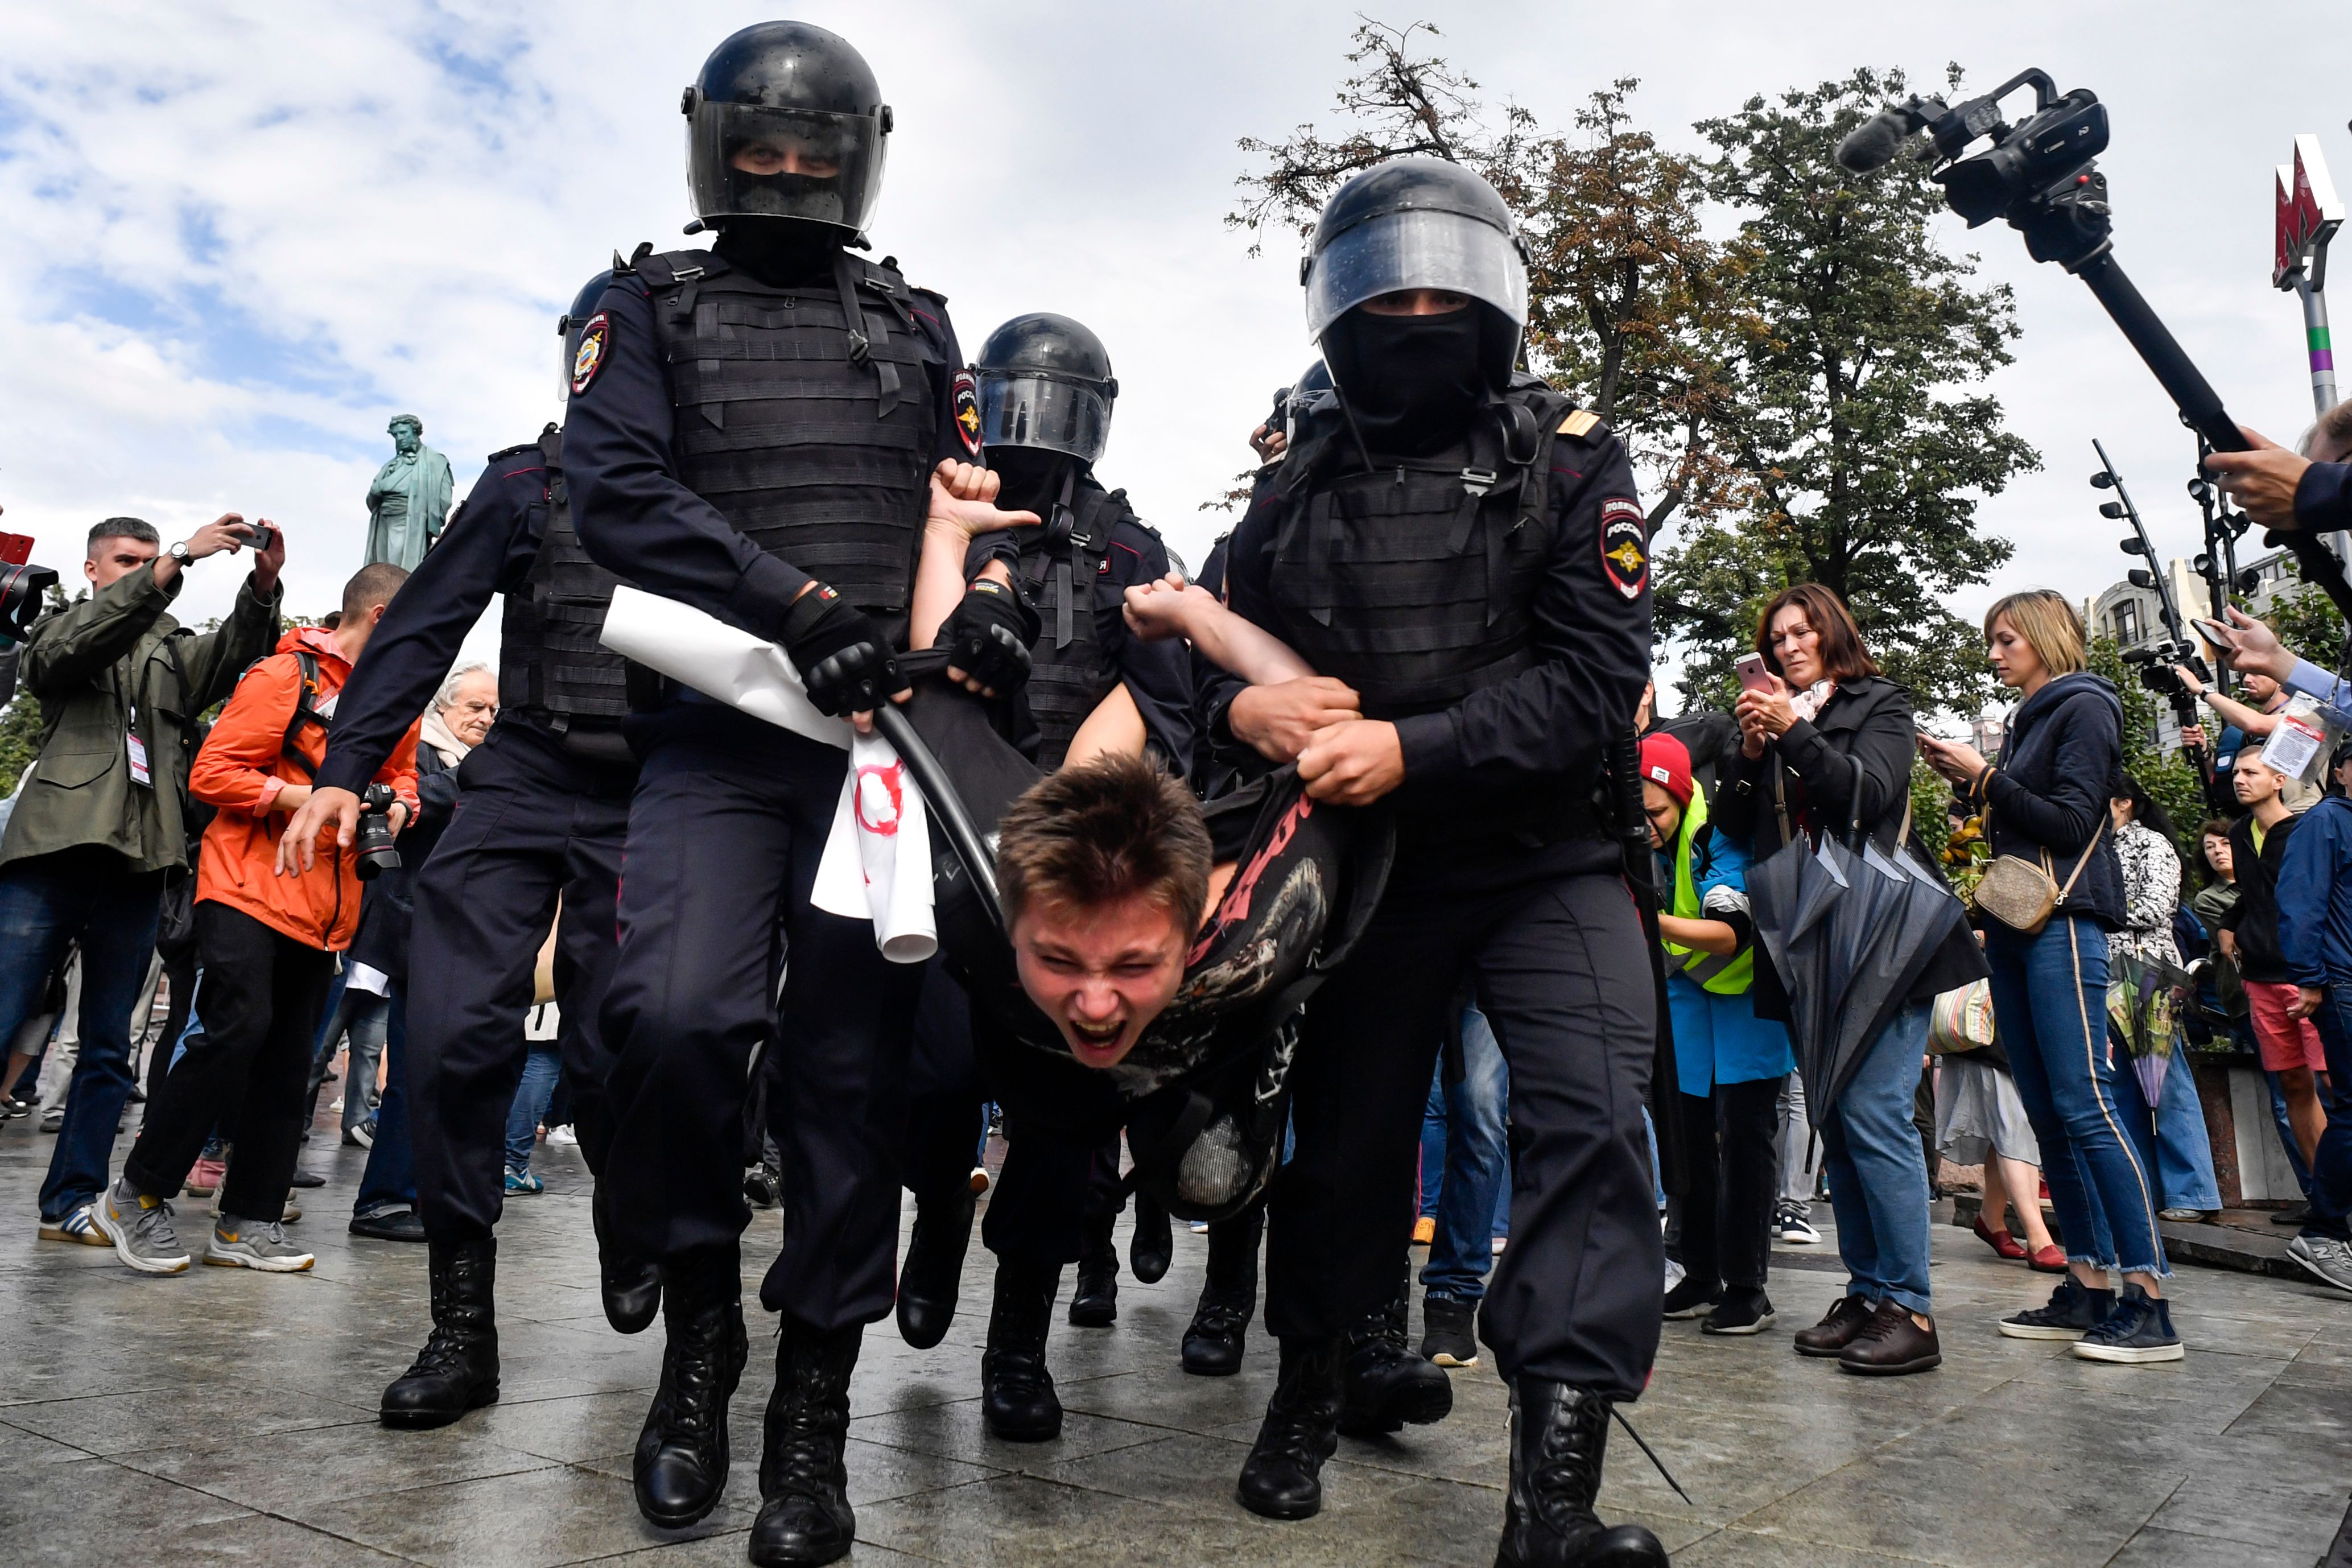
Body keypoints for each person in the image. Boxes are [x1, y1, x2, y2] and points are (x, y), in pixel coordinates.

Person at [560, 24, 1034, 1564]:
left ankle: (809, 1411)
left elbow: (971, 505)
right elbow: (616, 495)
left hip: (874, 752)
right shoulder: (641, 305)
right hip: (716, 733)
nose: (778, 175)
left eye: (806, 155)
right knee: (669, 1016)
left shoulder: (917, 321)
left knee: (853, 1084)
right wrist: (796, 603)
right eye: (753, 150)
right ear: (709, 145)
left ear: (858, 160)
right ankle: (699, 1326)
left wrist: (990, 604)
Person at [1205, 156, 1665, 1564]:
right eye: (1385, 295)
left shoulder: (1569, 456)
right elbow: (1204, 646)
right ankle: (1309, 1384)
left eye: (1440, 292)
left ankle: (1553, 1495)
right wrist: (1239, 711)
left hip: (1545, 854)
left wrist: (1419, 745)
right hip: (1369, 871)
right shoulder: (1294, 480)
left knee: (1592, 1119)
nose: (1415, 316)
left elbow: (1597, 679)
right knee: (1344, 1151)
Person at [278, 324, 659, 1426]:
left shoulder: (715, 483)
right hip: (527, 770)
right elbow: (423, 624)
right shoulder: (528, 482)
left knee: (626, 1036)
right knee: (445, 1031)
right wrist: (346, 767)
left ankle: (631, 1213)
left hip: (656, 785)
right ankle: (461, 1327)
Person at [902, 312, 1195, 1442]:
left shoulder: (1127, 544)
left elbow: (1165, 696)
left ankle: (1016, 1345)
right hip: (950, 844)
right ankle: (937, 1208)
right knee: (933, 1081)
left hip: (1073, 862)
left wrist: (1082, 796)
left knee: (1065, 1118)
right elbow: (916, 672)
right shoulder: (944, 505)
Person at [97, 565, 417, 1277]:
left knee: (288, 1059)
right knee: (237, 1027)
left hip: (326, 905)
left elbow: (406, 778)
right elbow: (213, 773)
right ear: (383, 615)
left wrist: (398, 803)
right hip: (245, 883)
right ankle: (136, 1193)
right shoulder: (284, 674)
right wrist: (314, 797)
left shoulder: (398, 697)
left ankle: (249, 1219)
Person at [2, 514, 283, 1248]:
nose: (146, 569)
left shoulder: (170, 647)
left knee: (107, 1047)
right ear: (92, 569)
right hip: (52, 846)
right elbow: (61, 657)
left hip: (139, 860)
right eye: (127, 560)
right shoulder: (59, 625)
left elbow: (239, 656)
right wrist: (180, 556)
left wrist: (262, 586)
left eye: (151, 559)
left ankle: (71, 1201)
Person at [1720, 583, 1975, 1376]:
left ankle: (1911, 1307)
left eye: (1802, 632)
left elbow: (1866, 796)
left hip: (1882, 938)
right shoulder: (1772, 722)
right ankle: (1867, 1293)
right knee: (1835, 1118)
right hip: (1808, 940)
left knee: (1874, 1115)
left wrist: (1793, 732)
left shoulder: (1878, 702)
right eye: (1776, 638)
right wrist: (1752, 756)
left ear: (1831, 633)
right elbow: (1736, 826)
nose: (1788, 647)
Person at [1920, 590, 2181, 1364]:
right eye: (1992, 640)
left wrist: (1985, 777)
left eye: (2006, 639)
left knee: (2085, 1103)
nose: (1994, 653)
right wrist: (1972, 782)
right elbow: (2024, 816)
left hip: (2064, 924)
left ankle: (2149, 1299)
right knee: (2047, 1111)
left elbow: (2070, 821)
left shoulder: (2083, 705)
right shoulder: (2027, 719)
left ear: (2043, 636)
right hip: (2015, 926)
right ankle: (2087, 1282)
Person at [1641, 729, 1793, 1339]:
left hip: (1746, 1000)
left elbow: (1730, 935)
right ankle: (1701, 1273)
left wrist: (1650, 921)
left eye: (1656, 812)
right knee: (1687, 1141)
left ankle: (1748, 1287)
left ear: (1681, 798)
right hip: (1688, 1002)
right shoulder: (1640, 840)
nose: (1646, 825)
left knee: (1746, 1138)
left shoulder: (1717, 835)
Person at [2105, 778, 2221, 1222]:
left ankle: (2193, 1192)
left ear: (2125, 803)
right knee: (2123, 1087)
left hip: (2148, 972)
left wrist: (2095, 910)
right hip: (2110, 973)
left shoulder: (2151, 844)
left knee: (2167, 1082)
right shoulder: (2099, 847)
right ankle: (2145, 1190)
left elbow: (2157, 907)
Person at [2220, 757, 2329, 1181]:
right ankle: (2324, 1193)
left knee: (2333, 1082)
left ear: (2279, 780)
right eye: (2236, 773)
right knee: (2293, 1084)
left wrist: (2315, 973)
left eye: (2251, 773)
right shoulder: (2238, 833)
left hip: (2309, 975)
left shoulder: (2305, 830)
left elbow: (2318, 899)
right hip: (2261, 977)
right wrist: (2229, 924)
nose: (2240, 779)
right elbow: (2254, 893)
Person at [2275, 742, 2352, 1293]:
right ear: (2342, 772)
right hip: (2343, 981)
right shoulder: (2325, 820)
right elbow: (2300, 901)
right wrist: (2309, 977)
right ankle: (2323, 1232)